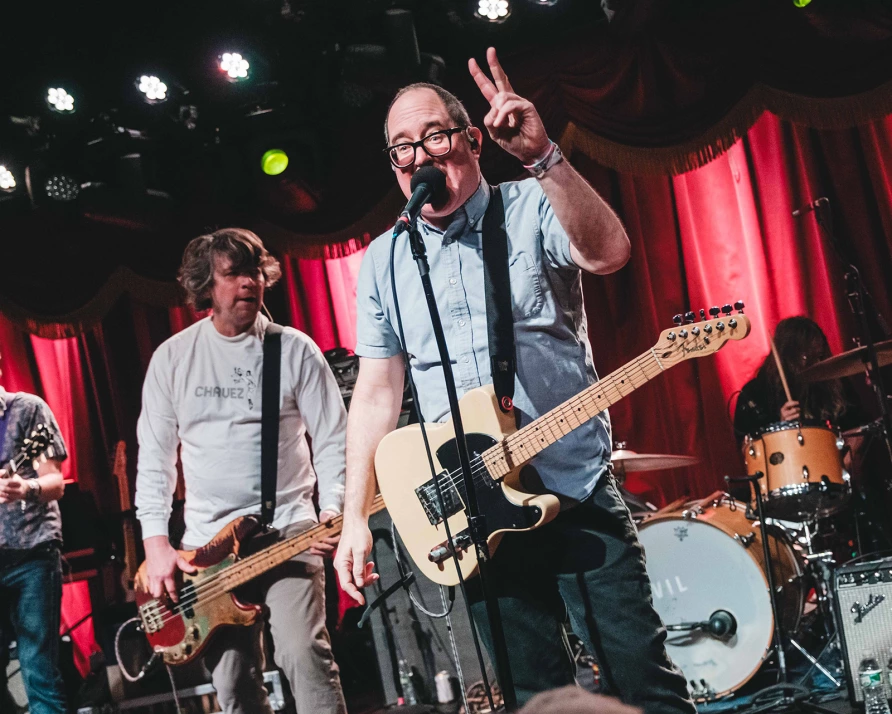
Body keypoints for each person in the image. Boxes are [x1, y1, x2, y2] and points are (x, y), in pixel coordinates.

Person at [334, 47, 695, 713]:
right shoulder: (386, 259)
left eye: (434, 136)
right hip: (476, 517)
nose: (418, 155)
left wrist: (542, 157)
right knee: (537, 700)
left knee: (641, 686)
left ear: (472, 141)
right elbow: (378, 392)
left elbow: (610, 252)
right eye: (401, 147)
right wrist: (355, 514)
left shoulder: (530, 206)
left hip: (572, 486)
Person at [135, 228, 347, 714]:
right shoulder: (173, 359)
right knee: (232, 684)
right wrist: (156, 544)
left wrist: (333, 508)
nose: (248, 283)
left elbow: (335, 438)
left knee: (302, 654)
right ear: (206, 286)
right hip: (207, 547)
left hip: (287, 528)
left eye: (254, 271)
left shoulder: (292, 349)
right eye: (233, 274)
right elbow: (155, 457)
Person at [0, 350, 69, 714]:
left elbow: (55, 482)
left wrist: (25, 489)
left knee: (38, 671)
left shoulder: (28, 410)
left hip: (32, 554)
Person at [734, 316, 863, 441]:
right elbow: (751, 451)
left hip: (834, 458)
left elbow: (859, 428)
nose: (816, 362)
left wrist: (848, 461)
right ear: (788, 354)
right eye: (806, 357)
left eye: (819, 355)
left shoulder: (835, 382)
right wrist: (781, 427)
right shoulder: (756, 393)